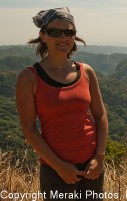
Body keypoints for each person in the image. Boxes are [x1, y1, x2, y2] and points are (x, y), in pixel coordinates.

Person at [16, 7, 108, 200]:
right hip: (55, 171)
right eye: (54, 32)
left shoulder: (86, 71)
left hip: (91, 166)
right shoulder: (29, 77)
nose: (63, 37)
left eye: (69, 32)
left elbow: (100, 116)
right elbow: (29, 129)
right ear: (43, 35)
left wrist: (99, 158)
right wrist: (59, 166)